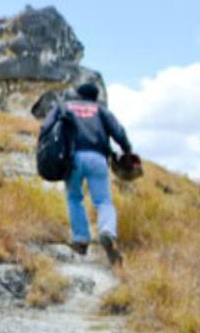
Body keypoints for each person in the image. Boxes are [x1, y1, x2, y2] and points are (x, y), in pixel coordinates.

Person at [41, 82, 133, 265]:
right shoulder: (101, 110)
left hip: (72, 158)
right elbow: (119, 132)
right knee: (104, 201)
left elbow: (46, 127)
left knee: (75, 198)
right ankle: (107, 232)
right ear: (95, 97)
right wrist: (127, 151)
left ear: (78, 94)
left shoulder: (65, 106)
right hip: (98, 158)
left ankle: (81, 239)